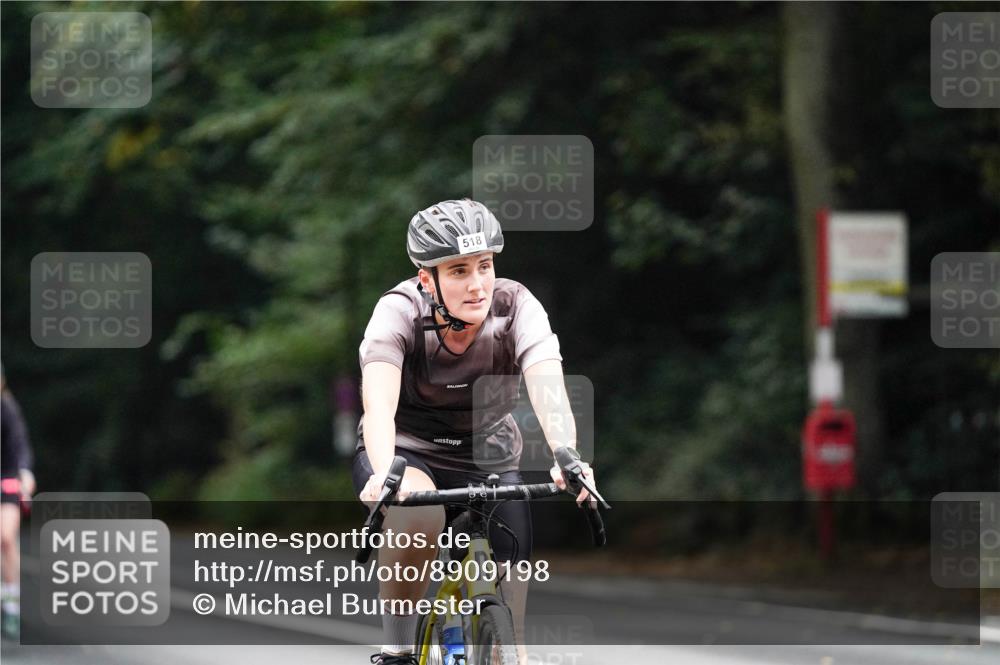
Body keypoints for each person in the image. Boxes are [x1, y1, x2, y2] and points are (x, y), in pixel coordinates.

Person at [353, 199, 597, 665]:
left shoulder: (517, 305)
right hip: (408, 451)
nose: (477, 284)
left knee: (512, 635)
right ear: (428, 278)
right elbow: (379, 404)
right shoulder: (398, 312)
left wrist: (567, 453)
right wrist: (385, 473)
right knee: (417, 520)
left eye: (484, 266)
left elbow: (547, 385)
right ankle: (398, 648)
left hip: (488, 456)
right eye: (459, 271)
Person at [1, 365, 36, 640]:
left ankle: (11, 603)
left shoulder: (8, 409)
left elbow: (21, 447)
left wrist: (25, 474)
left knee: (5, 538)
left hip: (6, 479)